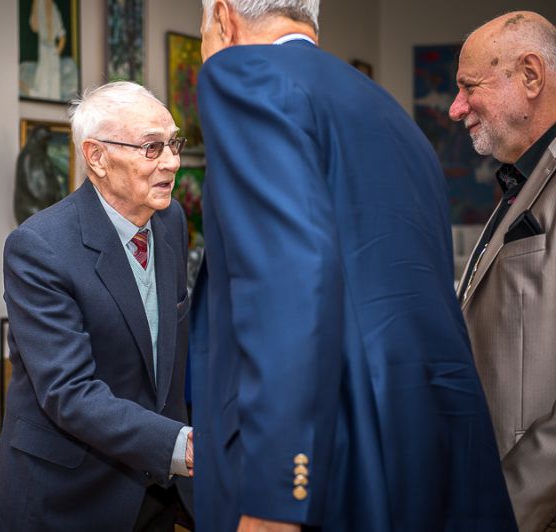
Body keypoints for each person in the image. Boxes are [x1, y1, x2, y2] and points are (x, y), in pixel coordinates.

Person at [189, 1, 516, 531]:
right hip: (421, 454)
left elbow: (288, 282)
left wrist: (276, 497)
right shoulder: (392, 113)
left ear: (223, 18)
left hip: (320, 465)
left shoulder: (243, 75)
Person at [0, 81, 193, 531]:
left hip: (156, 494)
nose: (172, 161)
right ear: (97, 157)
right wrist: (181, 444)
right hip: (69, 499)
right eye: (152, 147)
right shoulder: (39, 246)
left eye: (173, 143)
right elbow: (69, 391)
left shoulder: (171, 221)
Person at [449, 11, 556, 532]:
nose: (455, 108)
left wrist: (504, 508)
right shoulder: (522, 177)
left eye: (470, 87)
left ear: (531, 76)